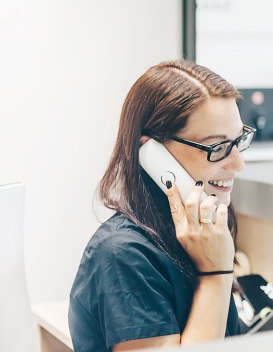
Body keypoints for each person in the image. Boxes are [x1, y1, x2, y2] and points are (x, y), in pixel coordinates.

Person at [69, 60, 255, 350]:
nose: (238, 163)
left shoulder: (198, 232)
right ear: (151, 151)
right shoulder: (124, 255)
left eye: (238, 141)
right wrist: (216, 277)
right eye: (217, 148)